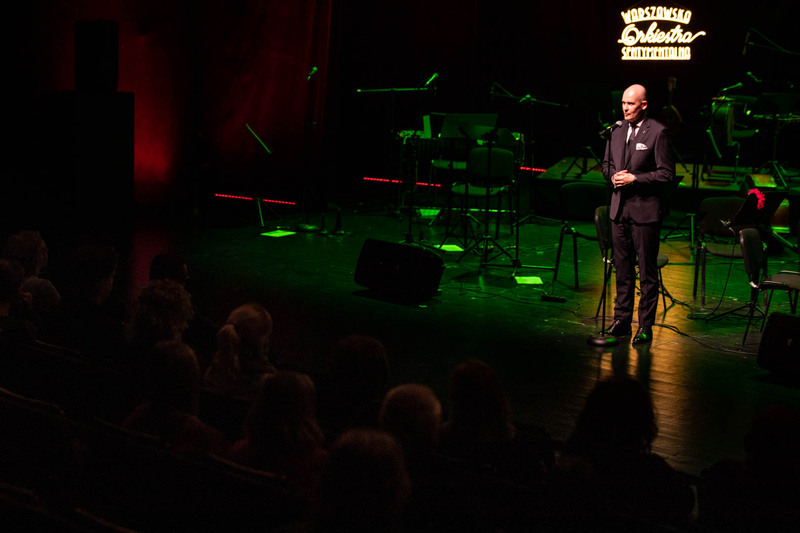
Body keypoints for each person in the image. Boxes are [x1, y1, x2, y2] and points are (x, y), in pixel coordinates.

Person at [601, 84, 676, 344]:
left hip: (645, 212)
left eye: (630, 104)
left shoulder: (658, 132)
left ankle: (645, 326)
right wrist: (613, 176)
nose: (625, 108)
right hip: (619, 210)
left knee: (646, 271)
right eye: (623, 103)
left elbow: (667, 174)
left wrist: (636, 179)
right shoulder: (616, 130)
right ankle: (621, 320)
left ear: (643, 105)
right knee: (621, 269)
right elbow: (607, 164)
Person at [203, 302, 276, 401]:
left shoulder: (211, 372)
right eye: (266, 336)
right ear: (260, 341)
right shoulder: (267, 384)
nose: (268, 341)